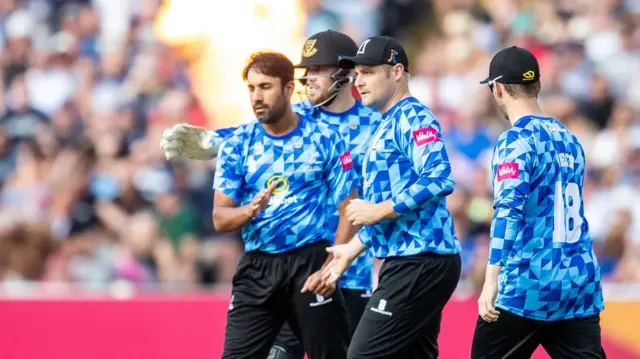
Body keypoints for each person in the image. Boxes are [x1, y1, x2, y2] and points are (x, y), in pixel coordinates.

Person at [161, 30, 382, 359]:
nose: (309, 78)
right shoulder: (303, 113)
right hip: (297, 267)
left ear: (345, 72)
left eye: (318, 69)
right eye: (306, 70)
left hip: (351, 269)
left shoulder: (376, 126)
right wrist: (212, 142)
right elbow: (254, 132)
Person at [321, 36, 462, 359]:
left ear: (397, 71)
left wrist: (380, 210)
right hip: (413, 259)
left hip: (420, 260)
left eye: (368, 72)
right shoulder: (389, 122)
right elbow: (383, 210)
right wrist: (352, 249)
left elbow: (439, 178)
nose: (358, 81)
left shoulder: (413, 116)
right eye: (356, 74)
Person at [212, 50, 358, 359]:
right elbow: (220, 218)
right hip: (258, 266)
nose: (257, 97)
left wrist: (331, 268)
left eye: (265, 87)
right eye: (251, 88)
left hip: (310, 263)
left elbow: (350, 209)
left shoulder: (324, 138)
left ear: (289, 89)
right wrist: (249, 211)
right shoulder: (238, 144)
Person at [470, 46, 606, 358]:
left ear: (498, 89)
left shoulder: (516, 140)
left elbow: (508, 209)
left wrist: (491, 279)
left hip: (529, 283)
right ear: (538, 87)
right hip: (577, 282)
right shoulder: (570, 139)